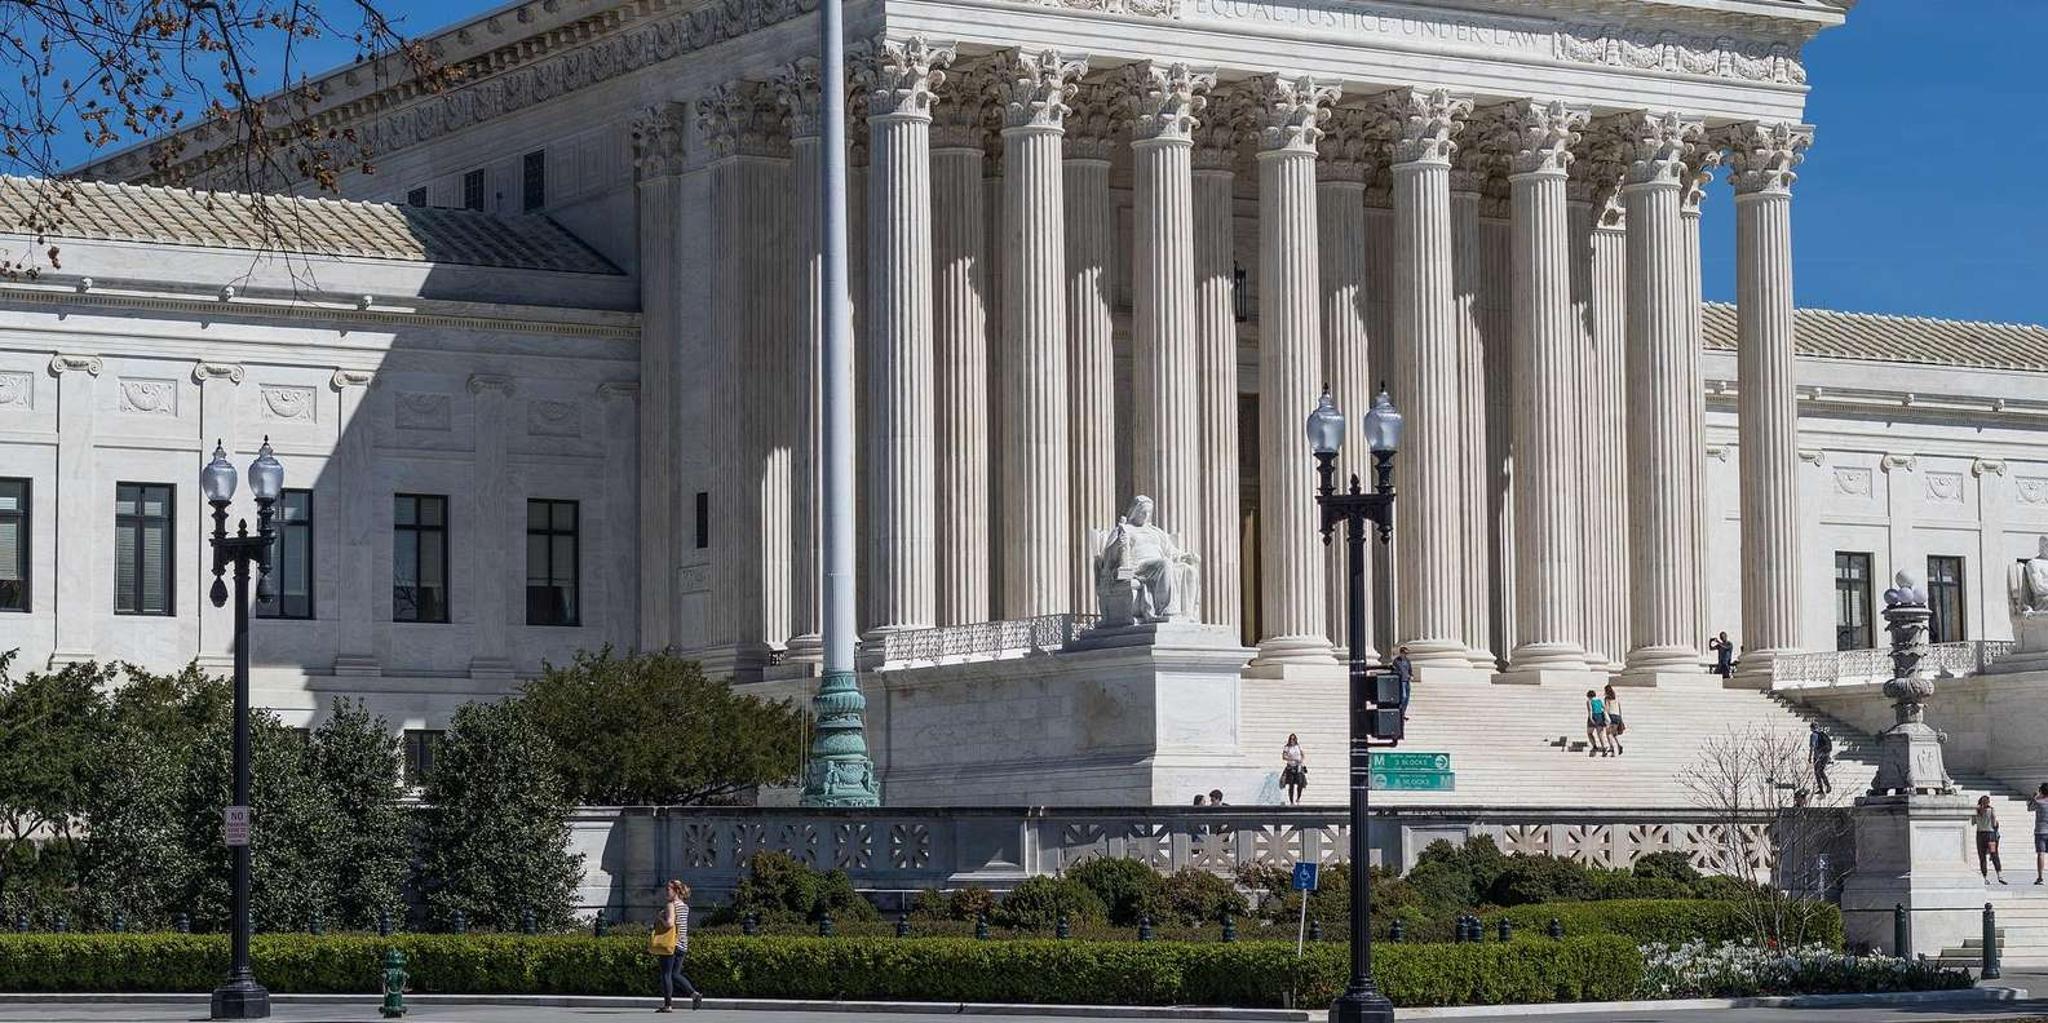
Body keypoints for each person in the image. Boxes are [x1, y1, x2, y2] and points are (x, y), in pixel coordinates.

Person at [654, 879, 700, 1012]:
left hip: (671, 944)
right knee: (675, 974)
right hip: (682, 944)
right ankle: (694, 994)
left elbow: (669, 923)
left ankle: (668, 1005)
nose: (666, 893)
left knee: (666, 974)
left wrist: (660, 918)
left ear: (676, 891)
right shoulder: (685, 906)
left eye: (668, 890)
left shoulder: (671, 905)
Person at [1975, 795, 2008, 884]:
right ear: (1988, 802)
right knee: (1994, 855)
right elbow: (1994, 823)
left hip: (1980, 835)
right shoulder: (1991, 810)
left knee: (1982, 857)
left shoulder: (1976, 811)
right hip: (1990, 835)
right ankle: (1999, 875)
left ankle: (1984, 877)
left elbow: (1973, 822)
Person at [1281, 734, 1307, 805]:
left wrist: (1301, 760)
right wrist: (1292, 759)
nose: (1292, 741)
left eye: (1293, 739)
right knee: (1291, 784)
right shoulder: (1287, 747)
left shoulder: (1298, 746)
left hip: (1298, 766)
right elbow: (1284, 756)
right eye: (1291, 739)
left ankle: (1298, 798)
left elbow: (1302, 754)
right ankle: (1291, 801)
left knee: (1300, 782)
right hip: (1290, 767)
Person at [1808, 723, 1834, 796]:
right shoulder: (1823, 734)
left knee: (1817, 772)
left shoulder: (1813, 735)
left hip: (1818, 756)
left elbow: (1812, 747)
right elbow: (1828, 746)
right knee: (1821, 771)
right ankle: (1828, 785)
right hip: (1826, 755)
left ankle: (1821, 789)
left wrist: (1810, 757)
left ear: (1811, 728)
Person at [1585, 689, 1609, 757]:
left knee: (1589, 733)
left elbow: (1590, 710)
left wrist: (1591, 718)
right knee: (1600, 734)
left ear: (1589, 696)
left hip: (1593, 716)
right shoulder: (1599, 701)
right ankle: (1604, 748)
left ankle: (1594, 746)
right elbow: (1604, 708)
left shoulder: (1589, 701)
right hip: (1600, 717)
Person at [1601, 684, 1625, 756]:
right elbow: (1620, 709)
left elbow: (1607, 709)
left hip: (1611, 716)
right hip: (1617, 716)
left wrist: (1606, 717)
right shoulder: (1616, 698)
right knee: (1614, 733)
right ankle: (1619, 745)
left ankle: (1612, 748)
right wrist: (1621, 719)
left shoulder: (1607, 698)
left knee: (1608, 733)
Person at [1391, 647, 1413, 720]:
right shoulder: (1396, 661)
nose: (1405, 655)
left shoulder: (1407, 661)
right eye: (1404, 653)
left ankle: (1403, 713)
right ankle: (1399, 712)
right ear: (1401, 653)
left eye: (1407, 653)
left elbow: (1410, 670)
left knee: (1407, 698)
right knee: (1403, 696)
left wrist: (1411, 675)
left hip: (1407, 681)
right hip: (1401, 681)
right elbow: (1393, 671)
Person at [2033, 783, 2048, 885]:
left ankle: (2040, 877)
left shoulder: (2038, 802)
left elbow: (2029, 808)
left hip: (2040, 831)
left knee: (2041, 854)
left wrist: (2035, 796)